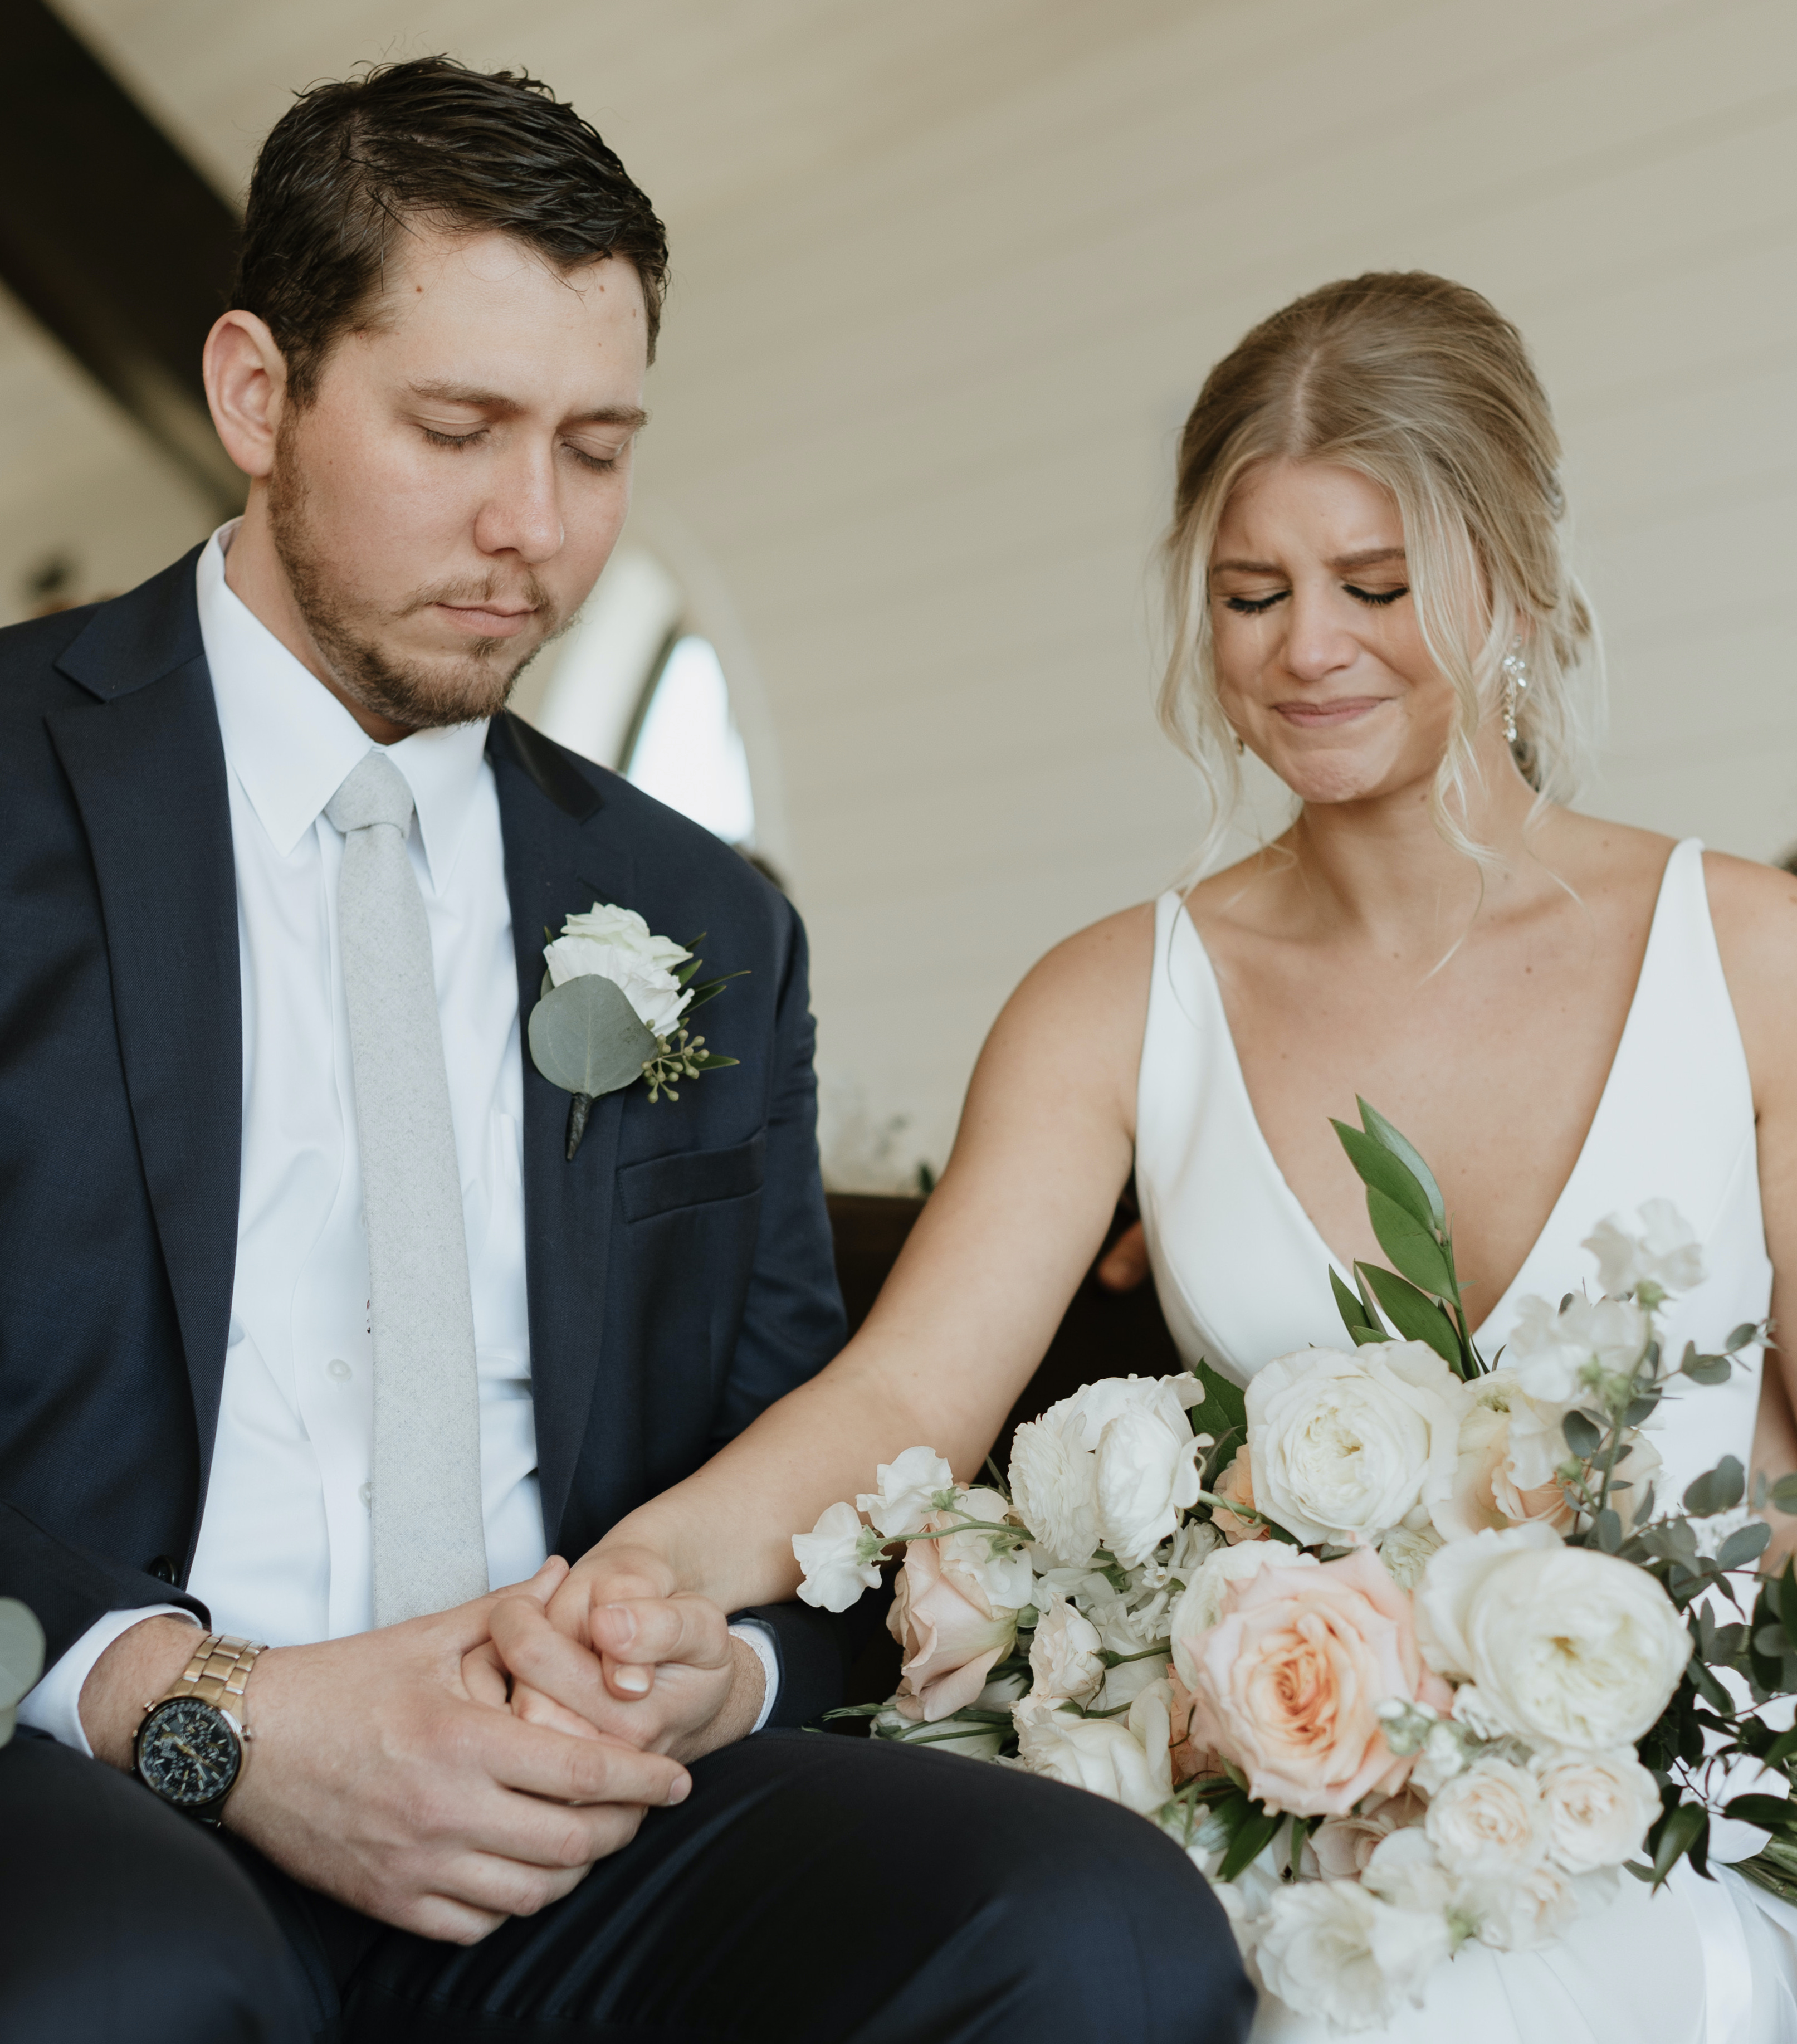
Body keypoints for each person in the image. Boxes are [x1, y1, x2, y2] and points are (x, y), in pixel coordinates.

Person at [0, 56, 1252, 2044]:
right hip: (79, 1763)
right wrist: (198, 1712)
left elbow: (796, 1477)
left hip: (567, 1802)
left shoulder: (702, 921)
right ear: (258, 391)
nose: (535, 530)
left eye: (597, 449)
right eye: (457, 428)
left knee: (1104, 1935)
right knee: (136, 1984)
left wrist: (722, 1669)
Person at [532, 273, 1797, 2037]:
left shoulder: (1751, 960)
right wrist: (637, 1584)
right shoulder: (1112, 1003)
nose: (1306, 649)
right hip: (1296, 1821)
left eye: (1374, 587)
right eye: (1249, 594)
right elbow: (905, 1399)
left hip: (1690, 1826)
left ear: (1510, 578)